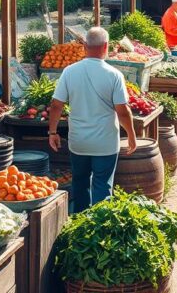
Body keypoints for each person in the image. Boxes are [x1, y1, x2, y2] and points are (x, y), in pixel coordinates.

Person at [49, 28, 136, 213]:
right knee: (102, 186)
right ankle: (100, 228)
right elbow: (122, 111)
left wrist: (53, 132)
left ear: (85, 46)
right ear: (106, 46)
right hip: (105, 143)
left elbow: (56, 105)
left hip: (78, 141)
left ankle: (80, 225)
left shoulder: (69, 72)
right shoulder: (114, 75)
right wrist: (131, 135)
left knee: (80, 184)